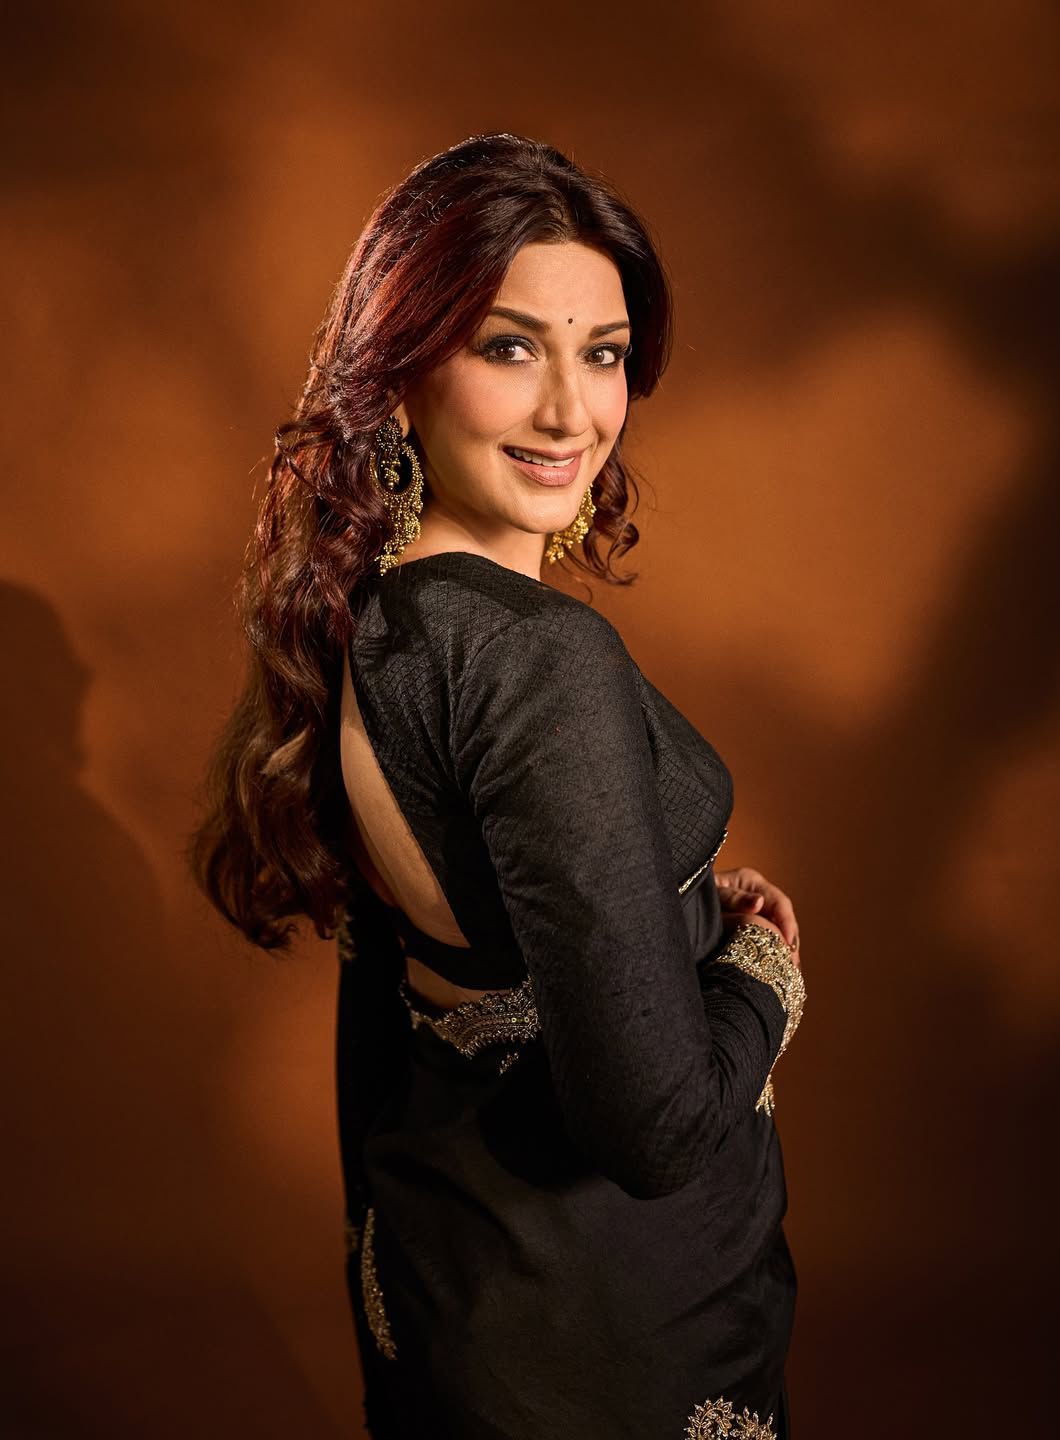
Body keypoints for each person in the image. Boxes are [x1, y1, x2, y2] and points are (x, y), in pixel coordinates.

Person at [188, 131, 807, 1440]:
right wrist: (758, 975)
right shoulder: (536, 660)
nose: (573, 412)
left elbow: (441, 965)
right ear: (402, 367)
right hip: (608, 1338)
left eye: (604, 354)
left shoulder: (378, 615)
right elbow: (653, 1129)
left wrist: (668, 916)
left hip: (467, 1289)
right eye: (511, 348)